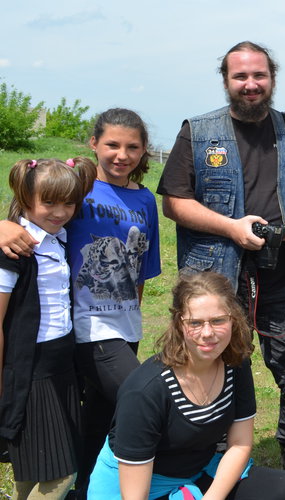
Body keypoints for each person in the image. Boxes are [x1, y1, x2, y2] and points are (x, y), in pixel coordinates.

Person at [157, 41, 285, 473]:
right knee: (210, 363)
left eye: (259, 76)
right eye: (241, 77)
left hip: (284, 272)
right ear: (226, 80)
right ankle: (206, 453)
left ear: (272, 78)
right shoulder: (198, 131)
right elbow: (174, 202)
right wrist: (231, 227)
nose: (251, 85)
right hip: (216, 275)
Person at [0, 108, 162, 497]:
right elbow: (30, 213)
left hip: (120, 324)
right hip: (84, 325)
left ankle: (89, 489)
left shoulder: (142, 199)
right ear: (94, 144)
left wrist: (134, 316)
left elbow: (140, 270)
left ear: (144, 152)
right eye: (112, 144)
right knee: (141, 396)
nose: (122, 154)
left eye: (132, 147)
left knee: (98, 418)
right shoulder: (77, 191)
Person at [87, 272, 285, 500]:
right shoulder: (145, 391)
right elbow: (134, 496)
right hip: (139, 486)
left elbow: (240, 444)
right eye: (195, 323)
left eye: (218, 320)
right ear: (179, 324)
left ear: (233, 319)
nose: (207, 333)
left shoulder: (235, 364)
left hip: (197, 471)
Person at [0, 157, 96, 499]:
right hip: (31, 369)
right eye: (49, 203)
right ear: (27, 200)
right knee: (61, 472)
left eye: (69, 203)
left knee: (33, 465)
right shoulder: (12, 250)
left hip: (62, 363)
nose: (60, 212)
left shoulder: (60, 238)